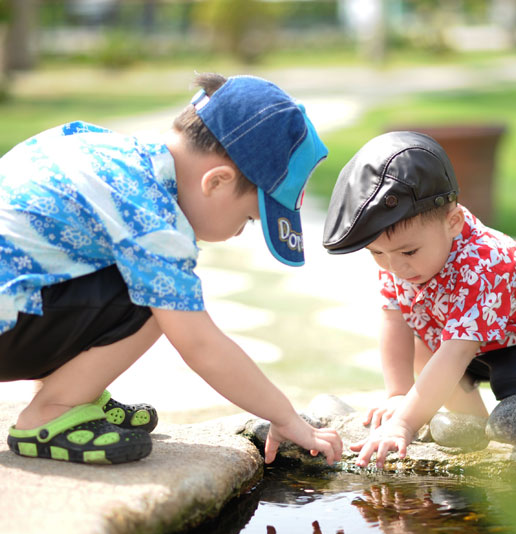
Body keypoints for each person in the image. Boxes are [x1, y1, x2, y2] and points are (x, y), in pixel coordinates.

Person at [0, 73, 343, 466]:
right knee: (162, 299)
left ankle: (72, 390)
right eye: (248, 218)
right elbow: (199, 346)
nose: (236, 234)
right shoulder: (153, 217)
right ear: (216, 182)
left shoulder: (97, 146)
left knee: (119, 270)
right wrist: (286, 417)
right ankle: (53, 411)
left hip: (14, 313)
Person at [322, 131, 516, 468]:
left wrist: (404, 423)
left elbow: (457, 352)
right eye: (377, 253)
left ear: (453, 222)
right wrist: (399, 394)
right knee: (426, 345)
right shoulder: (400, 259)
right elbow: (394, 319)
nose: (395, 266)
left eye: (408, 251)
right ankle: (476, 434)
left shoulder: (483, 263)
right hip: (487, 339)